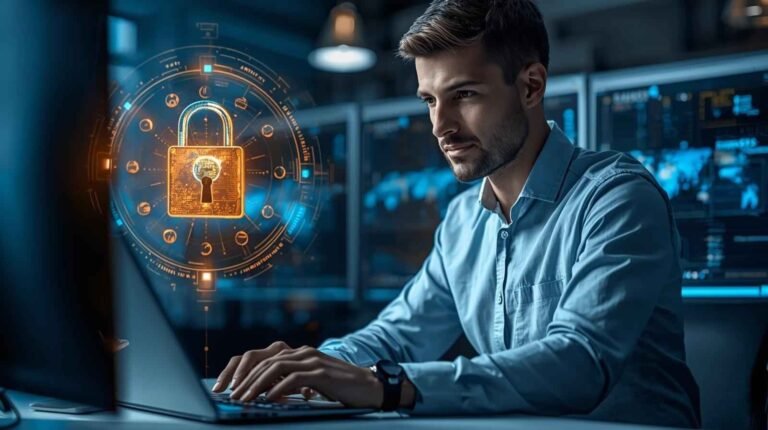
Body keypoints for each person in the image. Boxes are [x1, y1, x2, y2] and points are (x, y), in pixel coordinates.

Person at [212, 0, 701, 426]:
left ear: (531, 87)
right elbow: (399, 337)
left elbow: (580, 362)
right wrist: (311, 365)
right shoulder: (465, 222)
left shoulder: (617, 199)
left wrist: (387, 385)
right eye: (430, 100)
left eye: (464, 95)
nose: (440, 126)